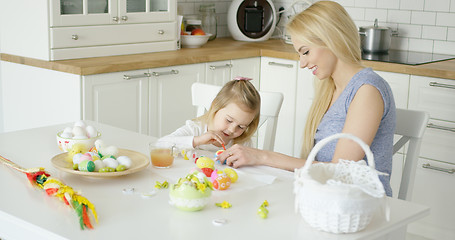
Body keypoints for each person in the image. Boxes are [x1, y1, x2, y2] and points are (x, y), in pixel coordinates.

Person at [216, 1, 396, 197]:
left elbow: (339, 171)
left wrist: (262, 156)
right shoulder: (331, 88)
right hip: (329, 198)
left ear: (332, 39)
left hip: (362, 205)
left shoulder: (367, 90)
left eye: (306, 51)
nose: (302, 63)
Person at [158, 77, 261, 152]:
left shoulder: (243, 142)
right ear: (215, 105)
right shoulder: (195, 130)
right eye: (229, 120)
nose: (232, 130)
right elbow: (160, 144)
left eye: (241, 127)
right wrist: (197, 141)